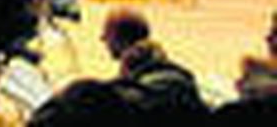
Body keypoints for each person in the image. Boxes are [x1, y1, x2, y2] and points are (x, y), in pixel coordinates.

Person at [34, 8, 209, 120]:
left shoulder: (111, 98)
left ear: (119, 39)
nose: (102, 39)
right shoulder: (181, 80)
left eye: (107, 34)